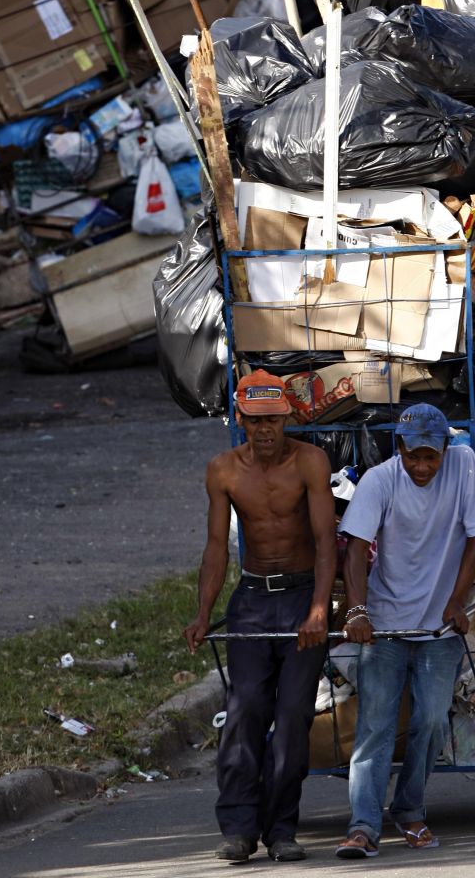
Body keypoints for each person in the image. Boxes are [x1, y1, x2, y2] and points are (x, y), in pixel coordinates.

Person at [334, 403, 475, 859]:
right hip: (387, 625)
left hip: (439, 628)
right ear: (400, 450)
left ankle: (409, 808)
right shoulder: (380, 480)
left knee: (430, 719)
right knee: (375, 725)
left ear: (446, 448)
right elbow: (354, 548)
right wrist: (357, 612)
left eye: (431, 456)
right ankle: (363, 825)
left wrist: (457, 600)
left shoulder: (464, 465)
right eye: (414, 456)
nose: (422, 466)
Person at [185, 369, 337, 864]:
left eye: (272, 420)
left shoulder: (310, 462)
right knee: (246, 709)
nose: (265, 430)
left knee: (293, 717)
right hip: (252, 600)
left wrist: (319, 608)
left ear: (287, 416)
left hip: (299, 599)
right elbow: (215, 548)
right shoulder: (223, 470)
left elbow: (325, 543)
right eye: (254, 421)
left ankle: (282, 830)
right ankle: (238, 828)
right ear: (240, 419)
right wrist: (203, 612)